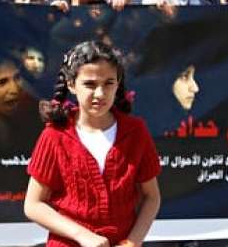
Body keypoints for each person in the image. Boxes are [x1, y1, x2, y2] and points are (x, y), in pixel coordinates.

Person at [25, 41, 161, 247]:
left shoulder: (136, 132)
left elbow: (151, 197)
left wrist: (133, 242)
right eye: (90, 84)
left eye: (108, 83)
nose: (100, 93)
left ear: (118, 83)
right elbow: (33, 205)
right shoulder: (55, 135)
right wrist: (81, 235)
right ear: (71, 84)